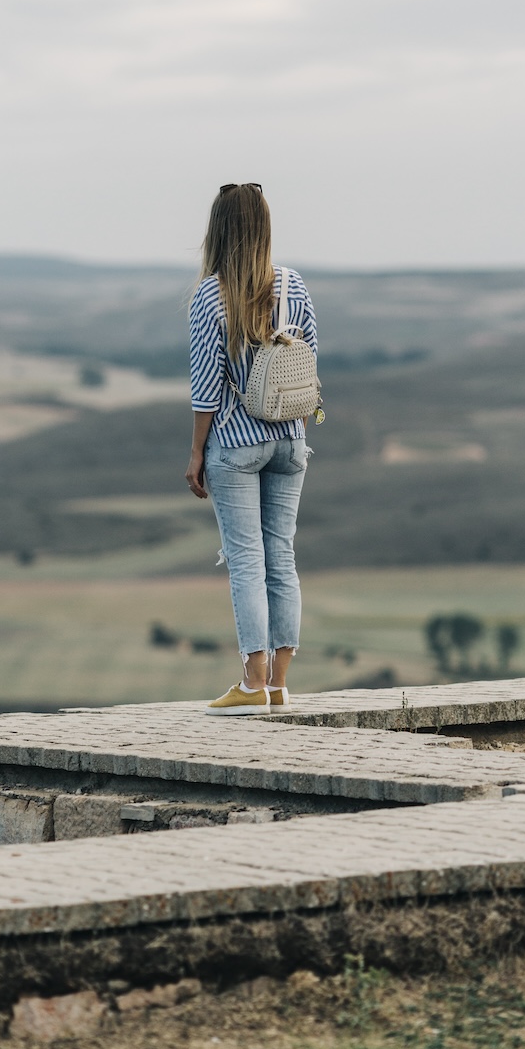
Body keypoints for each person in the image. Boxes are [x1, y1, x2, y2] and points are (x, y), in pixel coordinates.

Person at [185, 183, 317, 716]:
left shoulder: (210, 296)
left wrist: (197, 453)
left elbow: (205, 386)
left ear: (218, 230)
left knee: (246, 561)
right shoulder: (293, 284)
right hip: (290, 438)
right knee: (281, 556)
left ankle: (252, 681)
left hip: (237, 444)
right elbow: (308, 356)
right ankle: (280, 686)